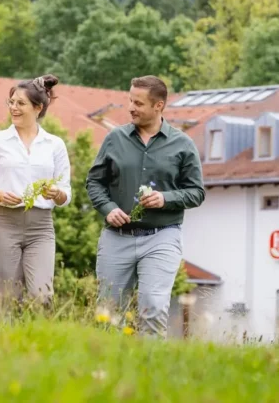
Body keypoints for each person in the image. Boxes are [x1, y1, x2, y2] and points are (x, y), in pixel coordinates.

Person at [85, 75, 205, 337]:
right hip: (117, 238)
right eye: (130, 100)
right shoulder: (114, 139)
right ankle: (105, 372)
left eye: (138, 103)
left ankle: (149, 371)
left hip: (162, 237)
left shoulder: (182, 145)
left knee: (152, 307)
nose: (130, 107)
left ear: (158, 106)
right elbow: (94, 182)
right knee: (108, 312)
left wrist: (166, 199)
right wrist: (108, 208)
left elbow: (196, 192)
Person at [0, 74, 71, 303]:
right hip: (5, 223)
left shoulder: (55, 144)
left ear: (38, 108)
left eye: (20, 103)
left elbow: (66, 192)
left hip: (41, 227)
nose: (14, 108)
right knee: (4, 297)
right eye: (11, 102)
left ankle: (37, 338)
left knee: (42, 296)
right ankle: (1, 339)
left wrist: (57, 193)